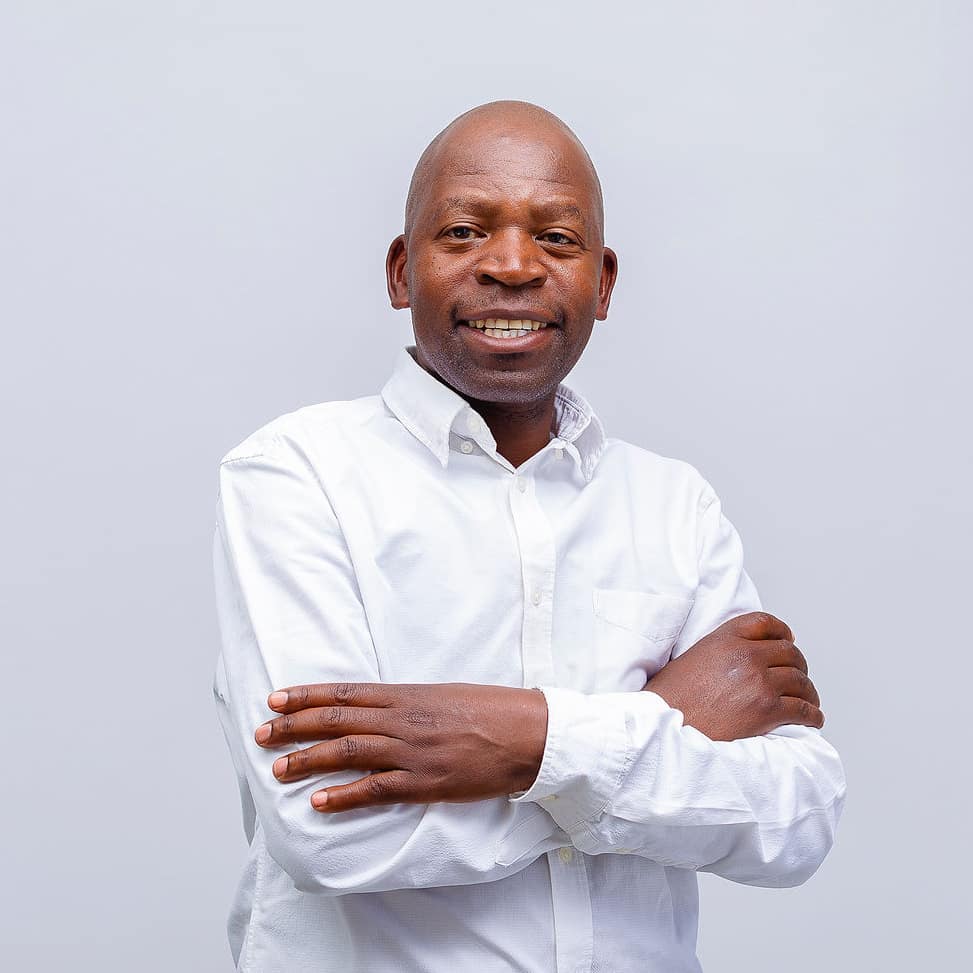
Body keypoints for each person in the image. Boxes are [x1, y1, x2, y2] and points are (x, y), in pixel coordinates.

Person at [212, 100, 846, 972]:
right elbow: (328, 832)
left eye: (555, 238)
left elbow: (794, 816)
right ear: (401, 271)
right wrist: (646, 729)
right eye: (464, 231)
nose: (511, 265)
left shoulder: (676, 506)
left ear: (602, 282)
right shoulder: (295, 474)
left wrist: (520, 741)